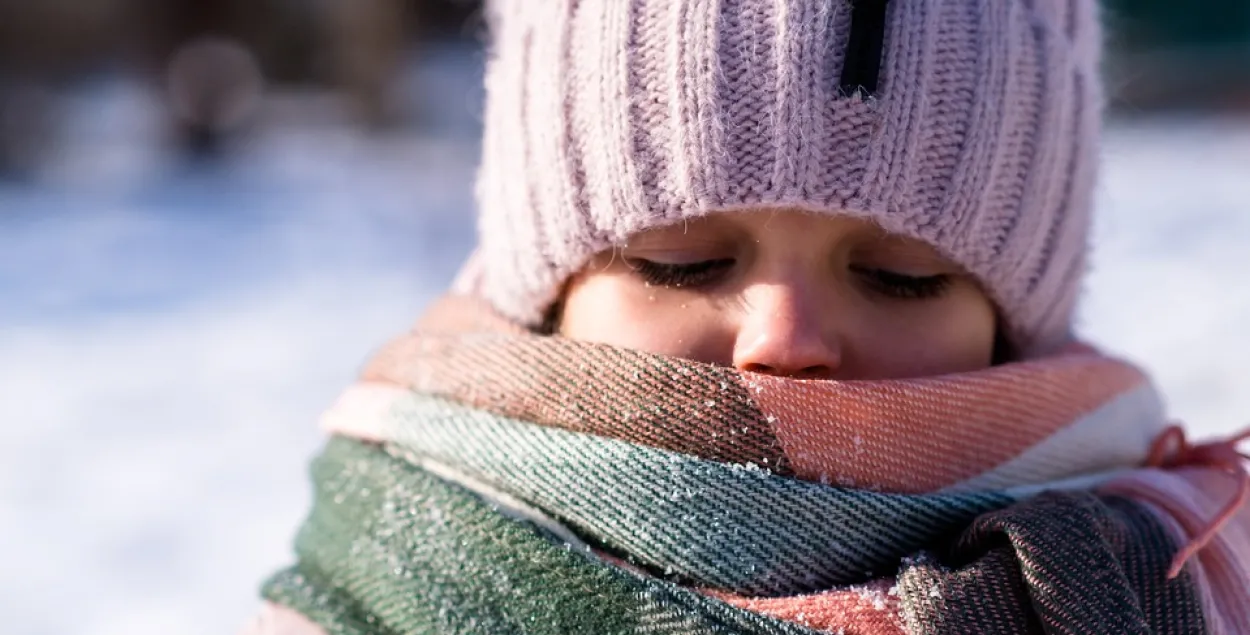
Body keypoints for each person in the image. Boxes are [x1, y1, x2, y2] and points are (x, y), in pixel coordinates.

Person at [244, 0, 1250, 633]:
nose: (785, 336)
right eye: (680, 261)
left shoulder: (1169, 572)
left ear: (1011, 323)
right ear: (545, 292)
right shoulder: (377, 590)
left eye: (899, 274)